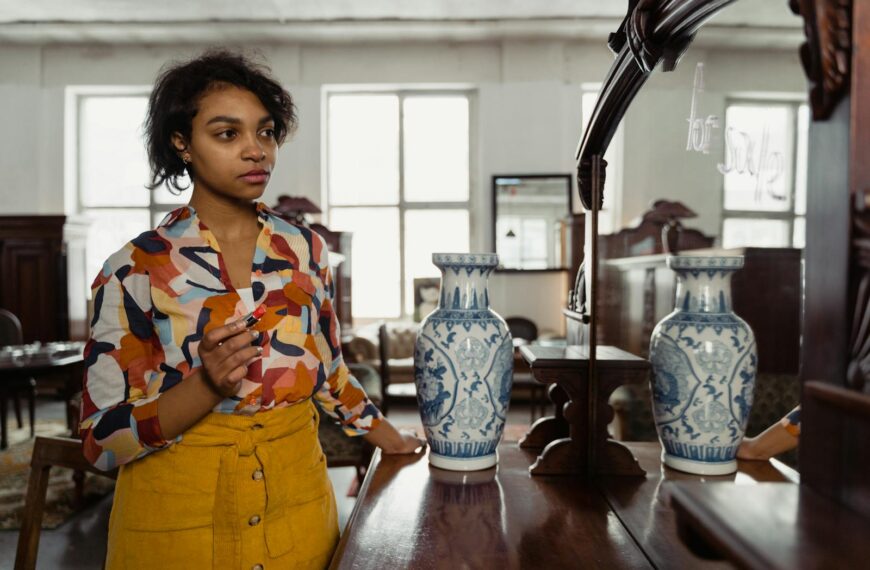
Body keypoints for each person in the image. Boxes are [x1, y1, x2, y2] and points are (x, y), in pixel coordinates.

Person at [79, 49, 425, 569]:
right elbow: (102, 443)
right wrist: (204, 386)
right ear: (182, 144)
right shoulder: (135, 268)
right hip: (176, 523)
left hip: (298, 509)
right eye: (227, 134)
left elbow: (328, 371)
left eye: (265, 133)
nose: (255, 151)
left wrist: (391, 439)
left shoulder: (305, 250)